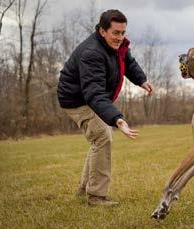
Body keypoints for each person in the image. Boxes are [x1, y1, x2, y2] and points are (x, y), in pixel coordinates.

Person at [57, 9, 154, 206]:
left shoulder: (116, 45)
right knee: (102, 135)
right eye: (115, 32)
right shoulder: (92, 53)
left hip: (93, 97)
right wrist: (117, 119)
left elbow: (128, 61)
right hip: (77, 100)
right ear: (102, 31)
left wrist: (141, 80)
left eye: (123, 32)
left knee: (99, 138)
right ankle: (96, 196)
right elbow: (94, 93)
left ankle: (85, 188)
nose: (120, 37)